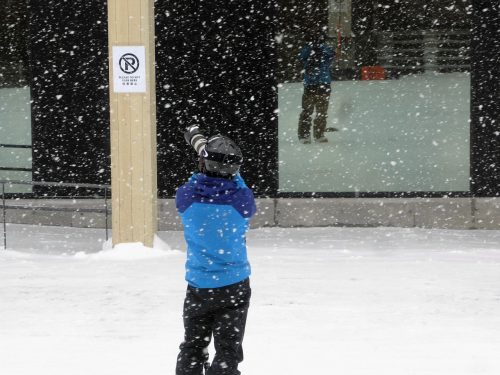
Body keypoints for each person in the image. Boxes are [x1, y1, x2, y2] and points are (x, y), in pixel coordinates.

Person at [175, 125, 256, 375]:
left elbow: (197, 180)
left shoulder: (186, 197)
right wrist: (220, 163)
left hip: (199, 286)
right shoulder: (242, 200)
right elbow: (237, 183)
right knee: (227, 351)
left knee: (193, 346)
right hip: (234, 286)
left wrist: (203, 153)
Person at [297, 33, 336, 144]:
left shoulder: (325, 50)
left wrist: (320, 47)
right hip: (311, 84)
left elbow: (332, 54)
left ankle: (319, 135)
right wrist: (312, 47)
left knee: (322, 111)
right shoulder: (307, 49)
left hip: (323, 83)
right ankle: (304, 135)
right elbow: (302, 56)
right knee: (307, 111)